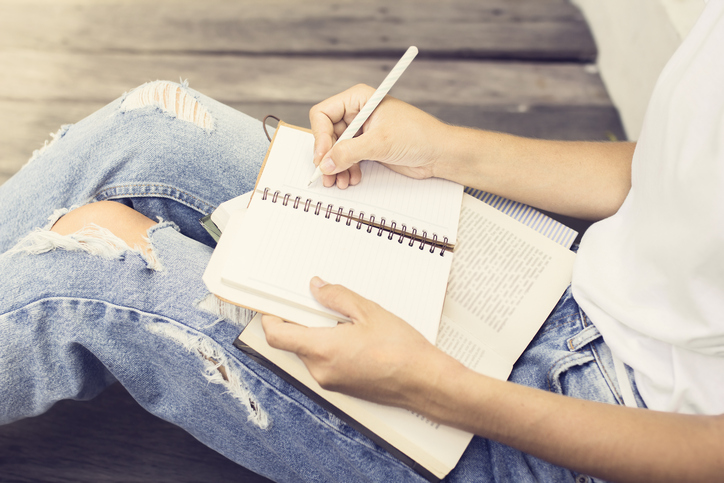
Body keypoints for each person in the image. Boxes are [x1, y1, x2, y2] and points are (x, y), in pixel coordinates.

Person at [2, 1, 723, 481]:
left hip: (589, 429)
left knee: (91, 267)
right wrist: (443, 149)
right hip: (557, 288)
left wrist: (435, 387)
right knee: (151, 126)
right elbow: (665, 171)